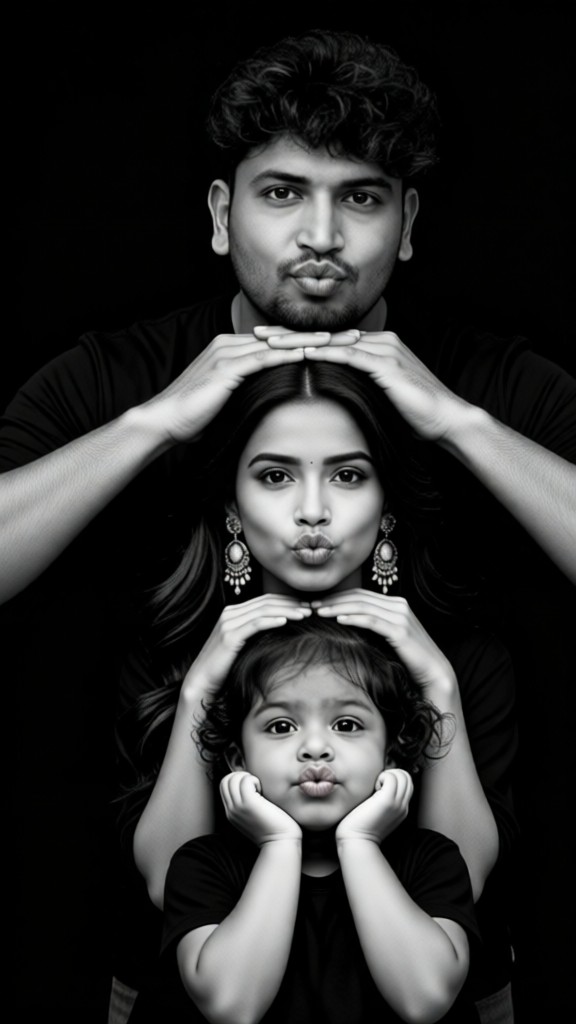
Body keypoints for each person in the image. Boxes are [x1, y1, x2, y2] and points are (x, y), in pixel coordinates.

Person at [4, 26, 570, 1018]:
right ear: (222, 213)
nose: (321, 232)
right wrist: (152, 423)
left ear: (407, 221)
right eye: (283, 193)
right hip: (180, 964)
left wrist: (458, 423)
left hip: (450, 961)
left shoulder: (492, 381)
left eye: (360, 197)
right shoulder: (116, 377)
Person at [114, 359, 517, 1023]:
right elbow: (168, 884)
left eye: (348, 475)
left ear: (386, 503)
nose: (312, 511)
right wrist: (197, 692)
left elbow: (460, 888)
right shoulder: (170, 656)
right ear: (233, 509)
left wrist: (438, 683)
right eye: (275, 476)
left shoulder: (465, 661)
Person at [126, 616, 480, 1023]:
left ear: (391, 754)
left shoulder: (431, 859)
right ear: (239, 759)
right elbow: (232, 1007)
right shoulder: (203, 865)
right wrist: (279, 843)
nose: (314, 747)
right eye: (281, 726)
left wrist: (360, 841)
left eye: (346, 725)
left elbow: (425, 999)